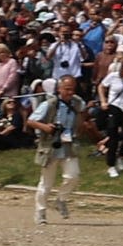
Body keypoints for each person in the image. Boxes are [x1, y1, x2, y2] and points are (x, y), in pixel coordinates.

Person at [33, 74, 82, 222]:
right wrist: (46, 127)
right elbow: (31, 120)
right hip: (50, 147)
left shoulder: (77, 103)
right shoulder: (49, 104)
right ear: (59, 89)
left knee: (73, 175)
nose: (70, 92)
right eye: (67, 89)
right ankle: (40, 211)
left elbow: (82, 114)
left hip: (68, 145)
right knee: (46, 183)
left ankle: (61, 199)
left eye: (72, 89)